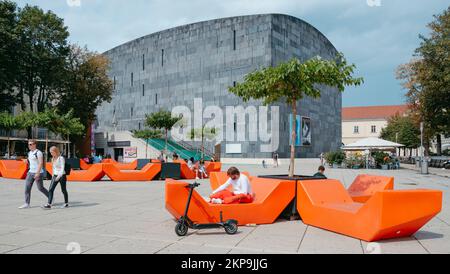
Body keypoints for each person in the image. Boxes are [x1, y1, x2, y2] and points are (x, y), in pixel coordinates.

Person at [19, 140, 49, 209]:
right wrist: (26, 161)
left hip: (38, 173)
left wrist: (37, 173)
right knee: (27, 188)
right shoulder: (29, 153)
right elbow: (31, 162)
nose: (29, 146)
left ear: (35, 145)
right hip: (30, 172)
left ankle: (50, 197)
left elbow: (41, 163)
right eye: (29, 144)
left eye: (31, 144)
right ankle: (27, 203)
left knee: (40, 188)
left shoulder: (38, 153)